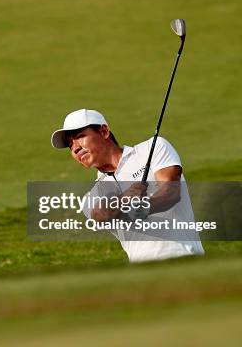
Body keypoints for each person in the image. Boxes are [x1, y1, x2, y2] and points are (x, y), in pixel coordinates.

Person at [51, 108, 205, 262]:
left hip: (185, 258)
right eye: (70, 145)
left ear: (104, 131)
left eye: (79, 137)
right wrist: (127, 197)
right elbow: (100, 215)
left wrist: (144, 207)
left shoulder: (152, 148)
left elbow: (170, 193)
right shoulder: (93, 195)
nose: (75, 148)